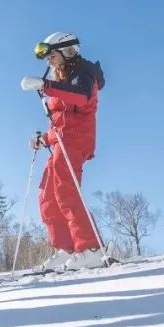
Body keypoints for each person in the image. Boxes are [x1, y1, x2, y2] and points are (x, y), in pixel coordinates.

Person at [28, 32, 107, 270]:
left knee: (65, 190)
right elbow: (61, 121)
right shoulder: (61, 80)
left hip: (76, 140)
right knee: (47, 195)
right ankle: (67, 247)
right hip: (62, 140)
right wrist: (44, 138)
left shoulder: (84, 73)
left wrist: (46, 86)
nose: (49, 62)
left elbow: (81, 99)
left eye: (52, 55)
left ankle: (90, 248)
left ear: (67, 51)